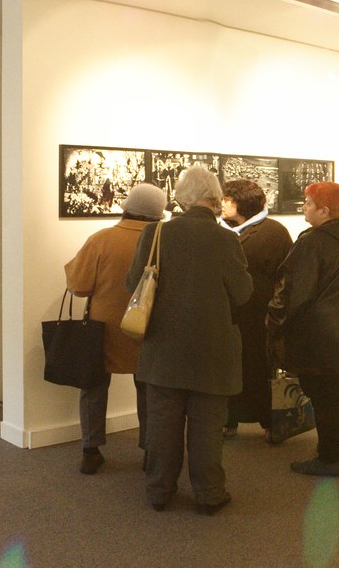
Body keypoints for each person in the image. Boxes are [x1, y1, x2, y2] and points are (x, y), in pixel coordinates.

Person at [127, 165, 252, 513]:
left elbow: (131, 285)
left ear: (181, 199)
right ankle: (209, 494)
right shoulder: (227, 239)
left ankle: (159, 490)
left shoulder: (154, 235)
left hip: (162, 347)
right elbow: (243, 293)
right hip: (213, 349)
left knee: (162, 423)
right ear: (213, 200)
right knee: (207, 425)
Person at [270, 181, 339, 477]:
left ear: (324, 210)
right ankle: (332, 448)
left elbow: (294, 294)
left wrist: (275, 324)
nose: (303, 207)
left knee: (322, 394)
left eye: (308, 203)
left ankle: (328, 458)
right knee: (331, 393)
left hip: (315, 334)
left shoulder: (312, 242)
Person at [64, 183, 166, 474]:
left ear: (127, 207)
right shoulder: (162, 242)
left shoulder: (101, 239)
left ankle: (90, 450)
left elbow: (79, 287)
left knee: (93, 387)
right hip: (148, 326)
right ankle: (150, 450)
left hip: (104, 328)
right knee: (148, 390)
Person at [218, 178, 293, 436]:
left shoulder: (274, 232)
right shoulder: (222, 230)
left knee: (261, 372)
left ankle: (270, 422)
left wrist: (277, 311)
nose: (222, 204)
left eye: (227, 199)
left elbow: (286, 278)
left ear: (243, 203)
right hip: (230, 317)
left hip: (261, 317)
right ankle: (230, 420)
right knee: (230, 369)